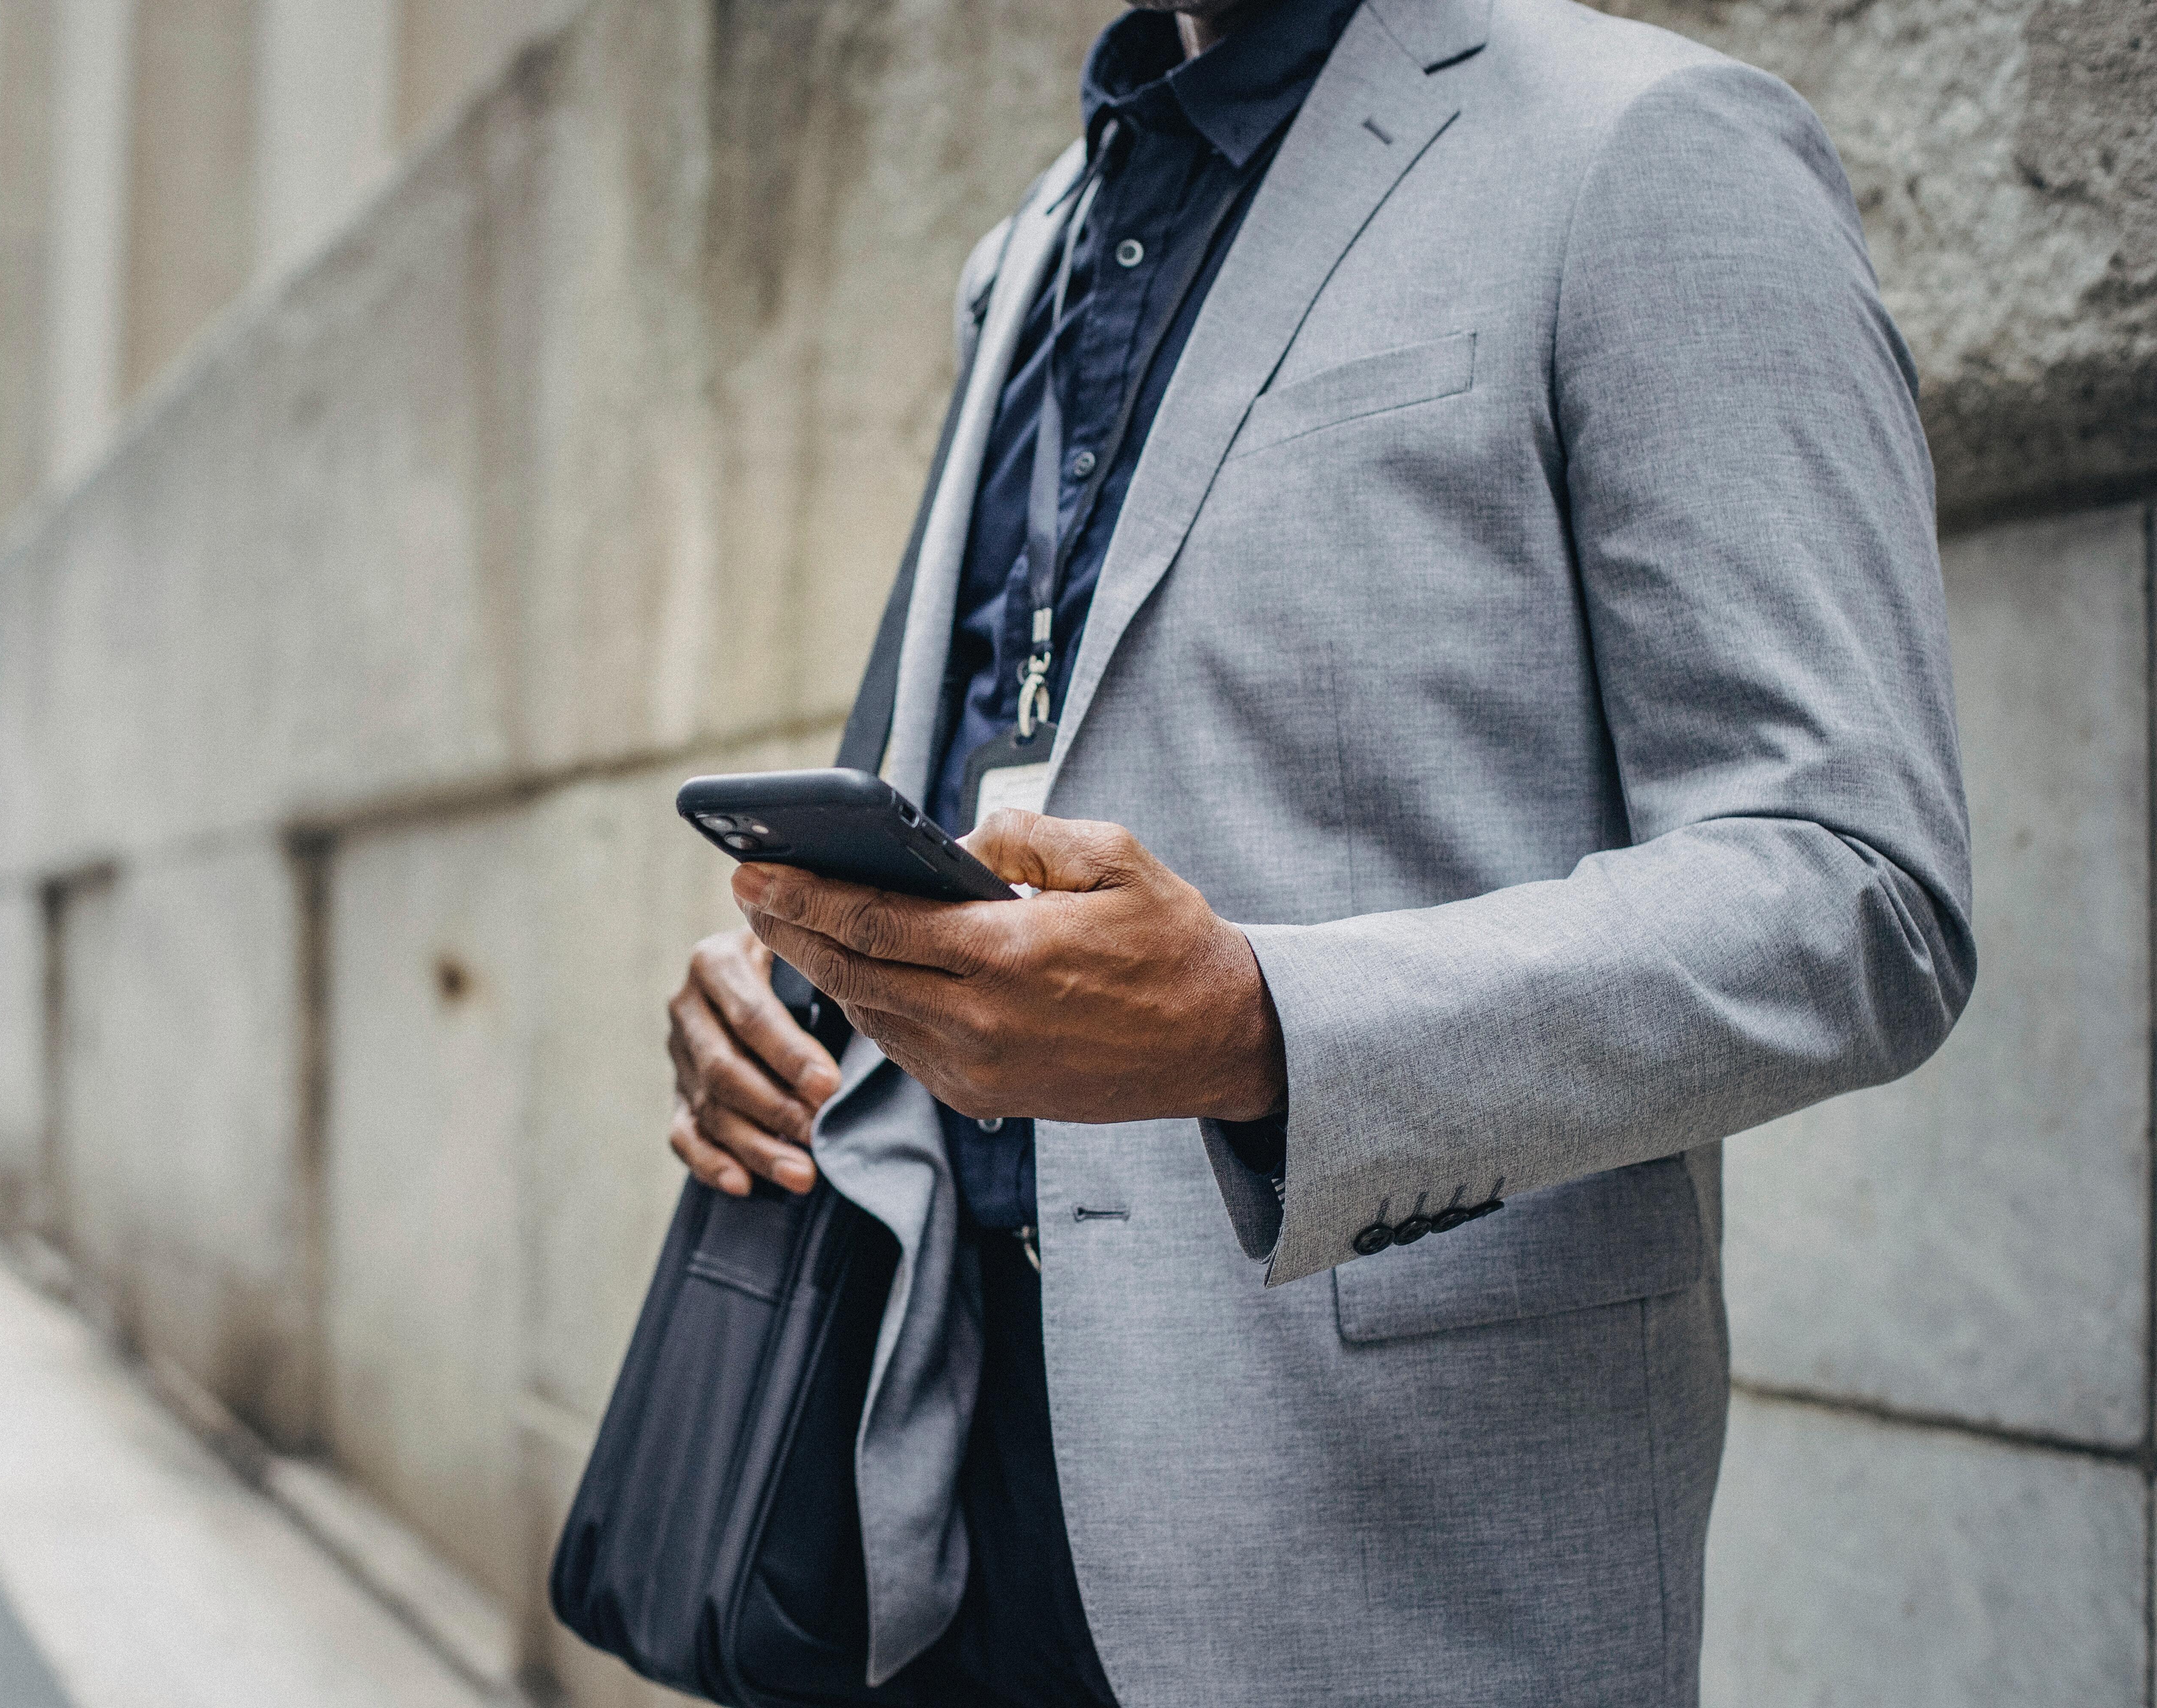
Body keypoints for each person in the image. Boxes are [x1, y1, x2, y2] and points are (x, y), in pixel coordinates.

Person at [664, 0, 1973, 1700]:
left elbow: (1858, 888)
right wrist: (798, 986)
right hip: (934, 1490)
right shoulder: (1035, 240)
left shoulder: (1653, 148)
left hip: (1375, 1540)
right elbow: (1004, 755)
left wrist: (1259, 1027)